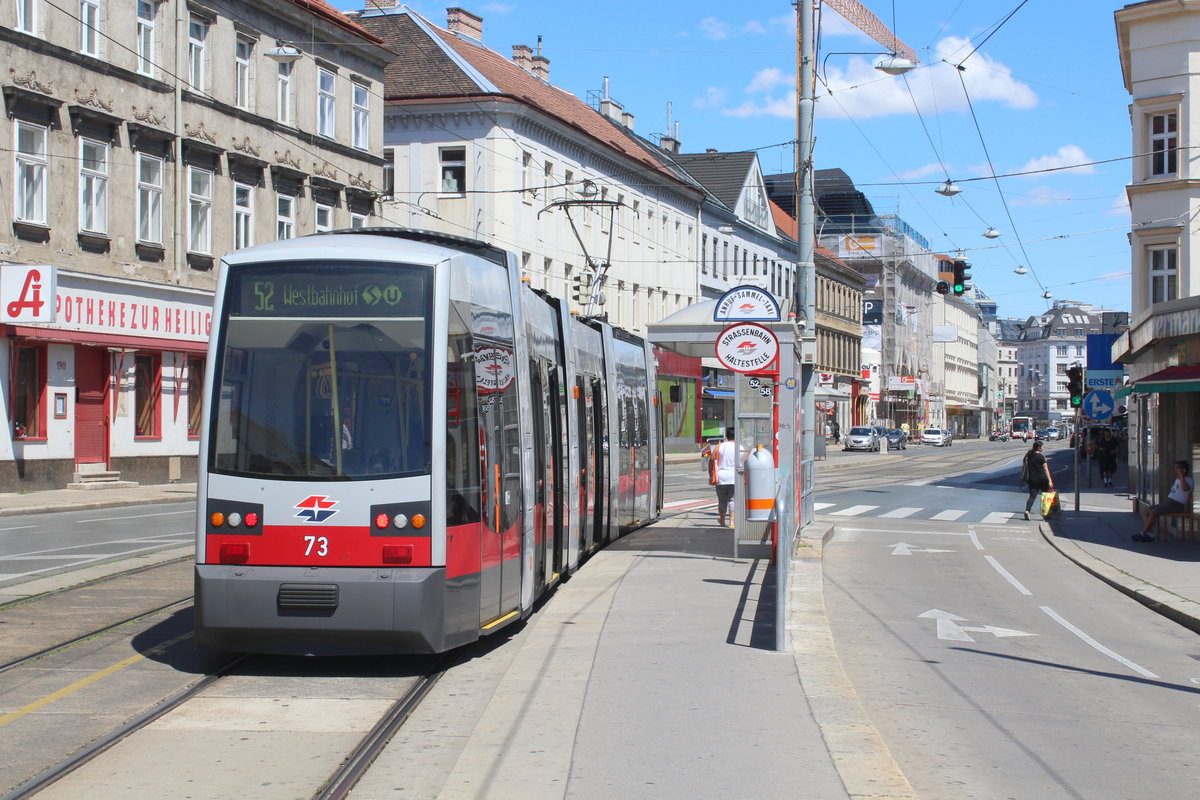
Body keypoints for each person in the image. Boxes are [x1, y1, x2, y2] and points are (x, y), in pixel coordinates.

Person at [1134, 460, 1193, 542]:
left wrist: (1182, 476)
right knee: (1145, 511)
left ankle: (1143, 533)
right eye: (1175, 468)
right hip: (1169, 503)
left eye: (1177, 468)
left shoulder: (1188, 480)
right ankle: (1149, 534)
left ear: (1183, 470)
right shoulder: (1178, 480)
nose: (1175, 470)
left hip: (1176, 505)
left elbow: (1185, 489)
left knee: (1153, 512)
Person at [1021, 440, 1054, 520]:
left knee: (1032, 496)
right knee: (1045, 496)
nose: (1043, 448)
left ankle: (1027, 511)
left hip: (1032, 479)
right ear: (1039, 447)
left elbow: (1023, 466)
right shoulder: (1041, 457)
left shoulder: (1028, 456)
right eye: (1042, 446)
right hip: (1042, 479)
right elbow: (1045, 469)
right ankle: (1045, 514)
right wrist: (1050, 480)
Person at [713, 427, 738, 528]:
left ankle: (722, 520)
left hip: (721, 477)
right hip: (734, 477)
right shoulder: (739, 447)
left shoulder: (720, 446)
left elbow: (712, 459)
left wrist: (711, 475)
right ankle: (732, 522)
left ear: (726, 436)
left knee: (722, 500)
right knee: (733, 500)